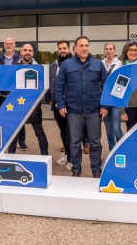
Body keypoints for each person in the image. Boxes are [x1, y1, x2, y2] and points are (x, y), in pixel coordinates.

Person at [55, 36, 108, 178]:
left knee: (95, 143)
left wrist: (105, 105)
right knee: (74, 142)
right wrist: (61, 105)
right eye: (81, 46)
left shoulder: (98, 64)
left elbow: (106, 86)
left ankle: (96, 171)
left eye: (86, 45)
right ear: (75, 48)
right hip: (74, 110)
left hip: (94, 110)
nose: (84, 48)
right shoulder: (67, 65)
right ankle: (76, 170)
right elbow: (59, 86)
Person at [7, 44, 48, 155]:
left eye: (29, 50)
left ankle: (45, 154)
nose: (27, 52)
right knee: (14, 132)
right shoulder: (14, 67)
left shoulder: (39, 68)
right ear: (21, 52)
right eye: (25, 50)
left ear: (33, 53)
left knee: (39, 132)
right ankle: (11, 155)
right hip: (18, 105)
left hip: (34, 105)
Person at [0, 37, 27, 151]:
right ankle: (7, 140)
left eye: (10, 43)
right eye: (7, 44)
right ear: (4, 45)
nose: (9, 45)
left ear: (14, 45)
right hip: (2, 94)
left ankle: (21, 141)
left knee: (19, 118)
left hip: (16, 94)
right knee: (4, 117)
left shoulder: (20, 58)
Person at [45, 40, 73, 167]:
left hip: (71, 105)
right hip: (57, 106)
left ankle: (73, 160)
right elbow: (48, 83)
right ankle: (68, 156)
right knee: (63, 131)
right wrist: (49, 98)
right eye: (60, 48)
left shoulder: (74, 63)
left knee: (72, 133)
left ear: (69, 49)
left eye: (64, 48)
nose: (62, 50)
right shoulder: (53, 65)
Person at [118, 40, 137, 132]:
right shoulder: (121, 68)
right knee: (132, 134)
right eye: (130, 50)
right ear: (125, 52)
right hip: (129, 108)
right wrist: (122, 111)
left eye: (136, 50)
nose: (133, 52)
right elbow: (119, 91)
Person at [101, 42, 123, 151]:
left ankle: (122, 150)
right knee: (108, 129)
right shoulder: (100, 64)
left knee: (116, 128)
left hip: (115, 100)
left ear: (114, 50)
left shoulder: (120, 64)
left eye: (110, 49)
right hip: (104, 100)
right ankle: (112, 151)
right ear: (104, 51)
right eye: (106, 49)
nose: (108, 51)